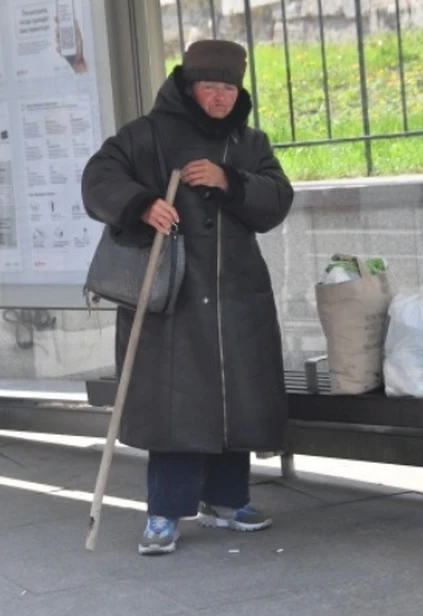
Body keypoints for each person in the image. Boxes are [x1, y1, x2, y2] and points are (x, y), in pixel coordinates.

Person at [81, 39, 294, 555]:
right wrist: (141, 205)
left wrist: (231, 181)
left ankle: (228, 500)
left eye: (229, 87)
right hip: (169, 299)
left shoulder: (251, 143)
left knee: (232, 398)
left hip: (236, 295)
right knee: (175, 407)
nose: (221, 97)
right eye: (210, 86)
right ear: (188, 85)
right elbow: (97, 179)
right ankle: (163, 513)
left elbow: (277, 200)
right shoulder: (146, 134)